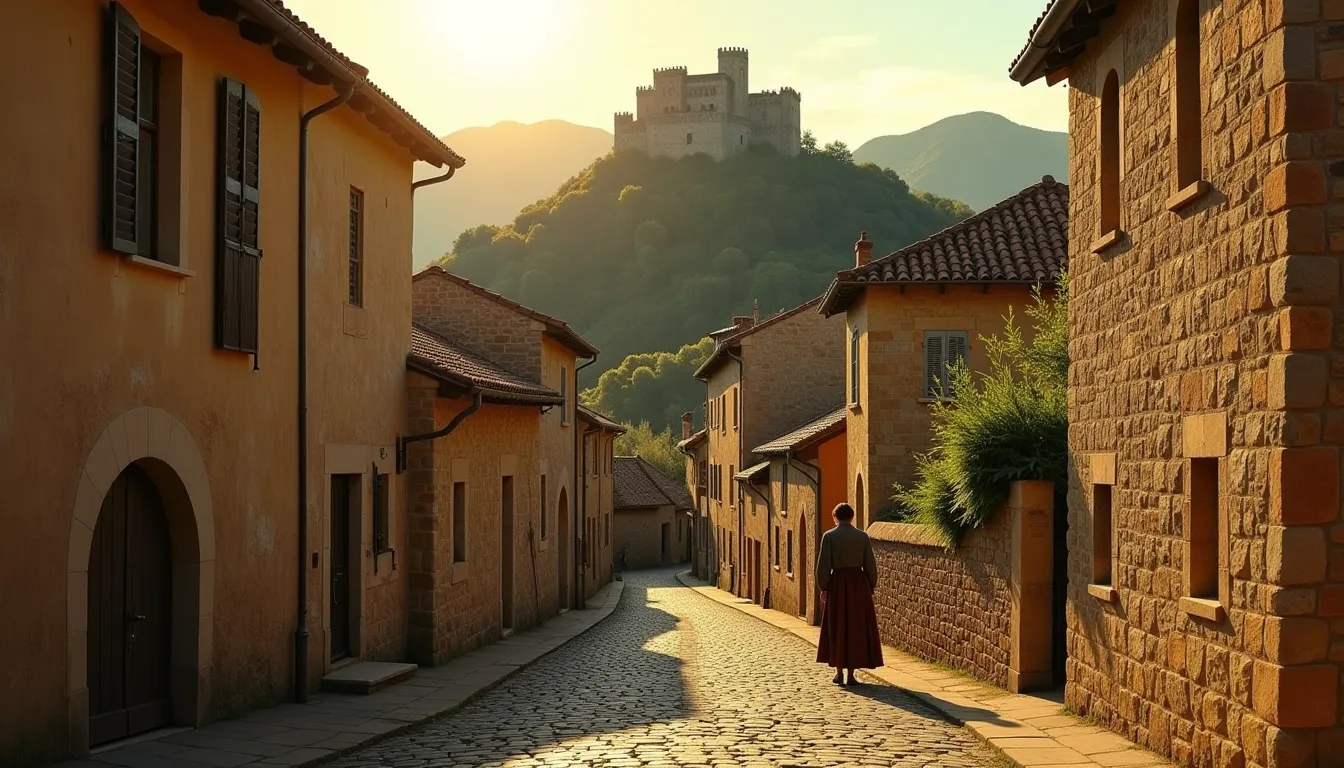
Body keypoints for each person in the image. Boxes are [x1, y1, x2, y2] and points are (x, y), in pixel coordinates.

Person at [815, 502, 883, 685]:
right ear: (852, 517)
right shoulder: (862, 537)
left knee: (838, 627)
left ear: (835, 516)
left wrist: (824, 588)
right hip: (858, 585)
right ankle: (852, 674)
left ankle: (839, 673)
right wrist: (870, 586)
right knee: (856, 628)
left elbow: (823, 566)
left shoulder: (829, 537)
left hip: (838, 584)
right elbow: (870, 564)